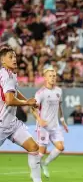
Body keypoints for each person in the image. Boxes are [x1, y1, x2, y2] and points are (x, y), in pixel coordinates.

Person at [0, 46, 46, 182]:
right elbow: (9, 100)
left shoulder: (10, 74)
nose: (14, 59)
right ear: (3, 61)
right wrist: (26, 103)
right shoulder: (7, 76)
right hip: (1, 124)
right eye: (10, 57)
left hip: (12, 124)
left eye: (14, 56)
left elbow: (14, 92)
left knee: (33, 147)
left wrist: (28, 101)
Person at [35, 67, 69, 178]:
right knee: (41, 152)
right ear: (45, 78)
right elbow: (33, 108)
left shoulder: (59, 91)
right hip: (44, 126)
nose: (53, 78)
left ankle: (45, 164)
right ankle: (34, 171)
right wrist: (39, 120)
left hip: (55, 125)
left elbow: (59, 106)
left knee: (61, 147)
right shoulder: (40, 93)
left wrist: (63, 121)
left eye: (54, 76)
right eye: (50, 76)